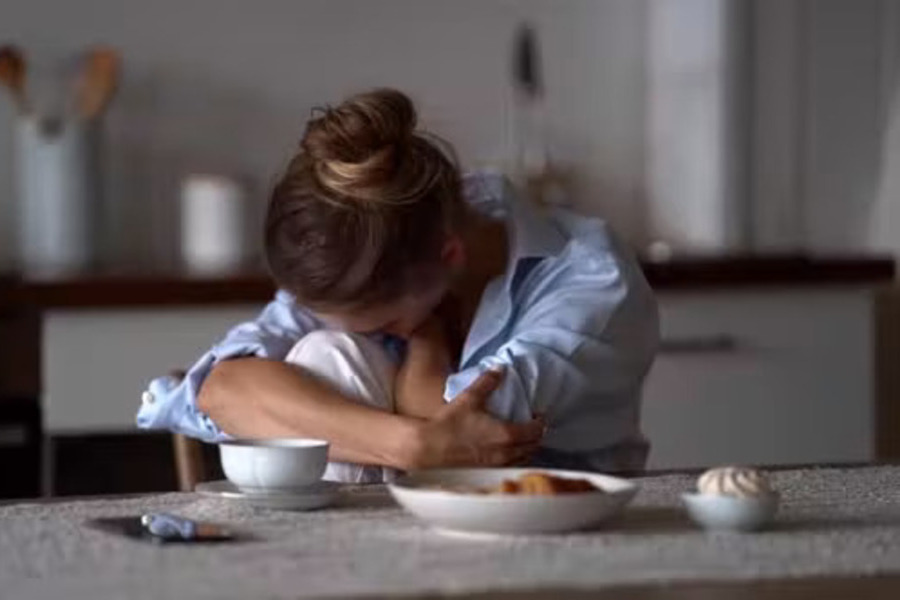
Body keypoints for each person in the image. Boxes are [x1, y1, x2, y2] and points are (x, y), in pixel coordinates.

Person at [137, 89, 659, 482]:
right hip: (398, 531)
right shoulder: (366, 251)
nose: (390, 330)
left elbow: (457, 432)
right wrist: (408, 446)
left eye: (387, 322)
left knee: (322, 385)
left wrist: (426, 340)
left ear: (449, 255)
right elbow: (220, 389)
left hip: (561, 533)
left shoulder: (589, 277)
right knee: (328, 353)